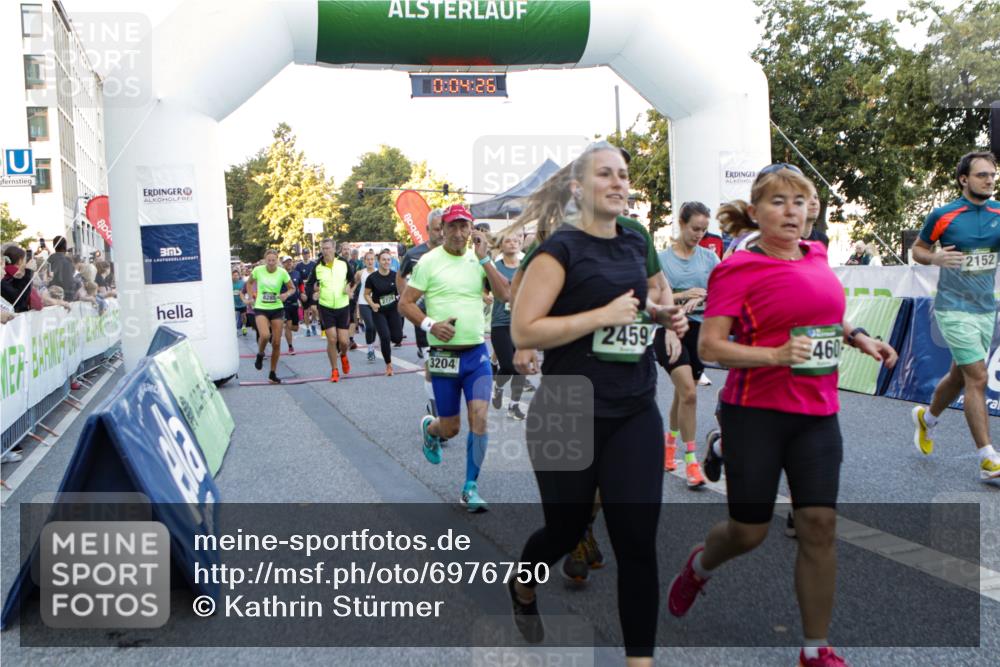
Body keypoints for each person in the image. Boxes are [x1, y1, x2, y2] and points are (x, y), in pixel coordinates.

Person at [666, 164, 897, 667]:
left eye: (800, 200)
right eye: (778, 201)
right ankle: (700, 566)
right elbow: (710, 345)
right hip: (756, 412)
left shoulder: (816, 254)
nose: (791, 210)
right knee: (749, 532)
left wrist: (859, 338)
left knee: (818, 525)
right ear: (755, 212)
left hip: (817, 412)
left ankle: (816, 648)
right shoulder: (737, 269)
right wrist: (773, 356)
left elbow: (826, 315)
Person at [507, 141, 687, 663]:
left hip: (632, 409)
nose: (617, 183)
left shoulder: (633, 241)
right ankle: (522, 587)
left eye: (623, 175)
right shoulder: (558, 250)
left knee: (636, 544)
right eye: (605, 174)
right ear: (577, 188)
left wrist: (659, 316)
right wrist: (600, 317)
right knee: (564, 531)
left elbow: (637, 303)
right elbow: (525, 327)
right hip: (567, 410)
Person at [399, 204, 510, 512]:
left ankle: (470, 487)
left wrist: (486, 258)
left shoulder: (480, 259)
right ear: (442, 229)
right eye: (452, 227)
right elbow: (405, 304)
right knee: (451, 428)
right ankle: (430, 429)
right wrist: (430, 324)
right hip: (443, 356)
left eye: (464, 227)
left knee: (480, 420)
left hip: (476, 354)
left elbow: (504, 294)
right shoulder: (429, 262)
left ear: (471, 229)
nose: (459, 233)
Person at [910, 150, 1000, 483]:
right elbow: (918, 249)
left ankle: (927, 418)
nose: (989, 180)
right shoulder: (944, 215)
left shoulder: (998, 213)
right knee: (978, 377)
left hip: (984, 308)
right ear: (964, 179)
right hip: (951, 307)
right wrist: (934, 258)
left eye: (992, 175)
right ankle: (988, 458)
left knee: (960, 376)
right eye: (982, 175)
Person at [656, 201, 718, 488]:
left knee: (683, 396)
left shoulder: (708, 259)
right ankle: (692, 462)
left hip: (699, 332)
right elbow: (654, 299)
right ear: (681, 224)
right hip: (669, 329)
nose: (699, 235)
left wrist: (702, 298)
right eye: (695, 228)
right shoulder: (662, 259)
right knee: (690, 393)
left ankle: (669, 443)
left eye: (704, 230)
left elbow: (724, 290)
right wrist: (682, 296)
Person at [398, 209, 446, 424]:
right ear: (427, 230)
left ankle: (440, 402)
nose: (442, 233)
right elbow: (400, 277)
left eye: (444, 228)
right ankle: (436, 407)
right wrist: (408, 301)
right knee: (434, 365)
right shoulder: (414, 254)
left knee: (447, 367)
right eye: (437, 229)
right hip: (424, 319)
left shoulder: (456, 253)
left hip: (449, 318)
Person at [489, 232, 528, 421]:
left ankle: (514, 406)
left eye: (515, 240)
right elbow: (482, 289)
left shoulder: (526, 268)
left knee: (521, 367)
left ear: (520, 244)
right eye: (508, 241)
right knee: (507, 365)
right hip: (500, 323)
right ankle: (498, 387)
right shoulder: (494, 268)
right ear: (501, 246)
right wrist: (485, 296)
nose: (512, 243)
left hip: (522, 323)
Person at [306, 238, 356, 382]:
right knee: (332, 339)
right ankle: (334, 370)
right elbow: (309, 285)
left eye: (328, 248)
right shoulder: (318, 266)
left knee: (344, 341)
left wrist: (349, 288)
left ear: (334, 249)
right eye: (323, 248)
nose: (325, 251)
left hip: (342, 305)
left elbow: (352, 280)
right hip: (326, 306)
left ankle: (344, 355)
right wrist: (313, 296)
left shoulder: (343, 263)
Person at [245, 249, 296, 384]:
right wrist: (251, 297)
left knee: (277, 343)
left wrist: (286, 294)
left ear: (277, 261)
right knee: (265, 335)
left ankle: (272, 373)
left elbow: (292, 288)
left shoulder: (282, 272)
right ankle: (260, 354)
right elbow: (249, 283)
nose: (271, 263)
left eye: (274, 260)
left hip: (277, 308)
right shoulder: (258, 270)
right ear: (265, 260)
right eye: (269, 261)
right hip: (261, 307)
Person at [364, 249, 404, 375]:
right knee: (385, 337)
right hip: (379, 311)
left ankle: (390, 339)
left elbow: (402, 291)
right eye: (384, 259)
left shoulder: (395, 275)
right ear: (379, 261)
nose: (386, 262)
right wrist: (372, 304)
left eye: (388, 260)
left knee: (397, 338)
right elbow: (366, 294)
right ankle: (388, 365)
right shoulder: (372, 278)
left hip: (393, 310)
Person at [356, 251, 378, 363]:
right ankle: (370, 349)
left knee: (374, 327)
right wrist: (350, 292)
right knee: (369, 326)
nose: (370, 261)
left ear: (375, 261)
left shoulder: (379, 272)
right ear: (364, 261)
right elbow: (353, 284)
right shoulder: (360, 273)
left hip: (375, 303)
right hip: (363, 302)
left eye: (372, 259)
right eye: (368, 259)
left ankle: (372, 346)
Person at [281, 256, 303, 355]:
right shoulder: (280, 274)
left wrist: (303, 293)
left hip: (295, 303)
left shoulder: (297, 273)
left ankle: (285, 327)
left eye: (290, 261)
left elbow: (301, 285)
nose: (289, 263)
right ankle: (290, 347)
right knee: (288, 326)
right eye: (286, 262)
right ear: (283, 263)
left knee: (295, 328)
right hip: (284, 304)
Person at [294, 248, 319, 336]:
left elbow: (317, 276)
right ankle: (308, 328)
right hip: (303, 288)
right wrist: (300, 291)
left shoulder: (314, 264)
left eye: (307, 253)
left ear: (309, 254)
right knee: (306, 310)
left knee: (314, 309)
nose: (305, 255)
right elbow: (297, 278)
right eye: (304, 254)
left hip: (312, 288)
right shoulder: (299, 266)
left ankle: (314, 322)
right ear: (302, 255)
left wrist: (317, 287)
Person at [47, 235, 76, 300]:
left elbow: (49, 276)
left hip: (54, 294)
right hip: (67, 294)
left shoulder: (50, 260)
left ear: (54, 246)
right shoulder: (68, 261)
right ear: (65, 246)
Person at [232, 268, 247, 335]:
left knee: (243, 316)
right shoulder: (229, 283)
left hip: (242, 303)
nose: (235, 277)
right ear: (232, 276)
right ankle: (235, 329)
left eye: (237, 275)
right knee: (234, 317)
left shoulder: (242, 283)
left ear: (239, 276)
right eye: (234, 275)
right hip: (234, 304)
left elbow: (246, 291)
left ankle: (244, 327)